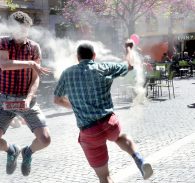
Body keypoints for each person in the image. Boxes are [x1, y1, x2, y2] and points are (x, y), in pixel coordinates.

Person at [54, 41, 153, 183]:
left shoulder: (67, 73)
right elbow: (129, 66)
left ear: (77, 57)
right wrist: (129, 48)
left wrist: (76, 106)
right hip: (110, 123)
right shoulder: (104, 67)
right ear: (94, 56)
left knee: (104, 176)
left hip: (90, 132)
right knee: (119, 137)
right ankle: (139, 160)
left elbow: (57, 99)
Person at [0, 11, 51, 176]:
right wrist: (30, 63)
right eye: (18, 29)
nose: (22, 32)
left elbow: (35, 79)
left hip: (27, 100)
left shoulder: (34, 47)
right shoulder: (3, 43)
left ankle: (27, 152)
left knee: (45, 140)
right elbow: (5, 64)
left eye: (25, 29)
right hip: (5, 101)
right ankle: (12, 150)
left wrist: (29, 99)